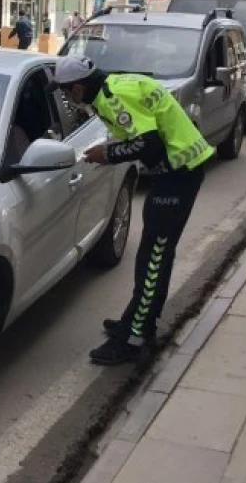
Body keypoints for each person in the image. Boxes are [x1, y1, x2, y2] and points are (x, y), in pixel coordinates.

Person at [53, 55, 214, 365]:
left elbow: (149, 145)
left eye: (63, 91)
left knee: (153, 258)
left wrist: (107, 153)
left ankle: (134, 338)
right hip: (178, 171)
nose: (64, 98)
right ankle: (138, 319)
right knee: (156, 255)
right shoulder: (115, 85)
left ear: (76, 89)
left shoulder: (112, 98)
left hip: (179, 174)